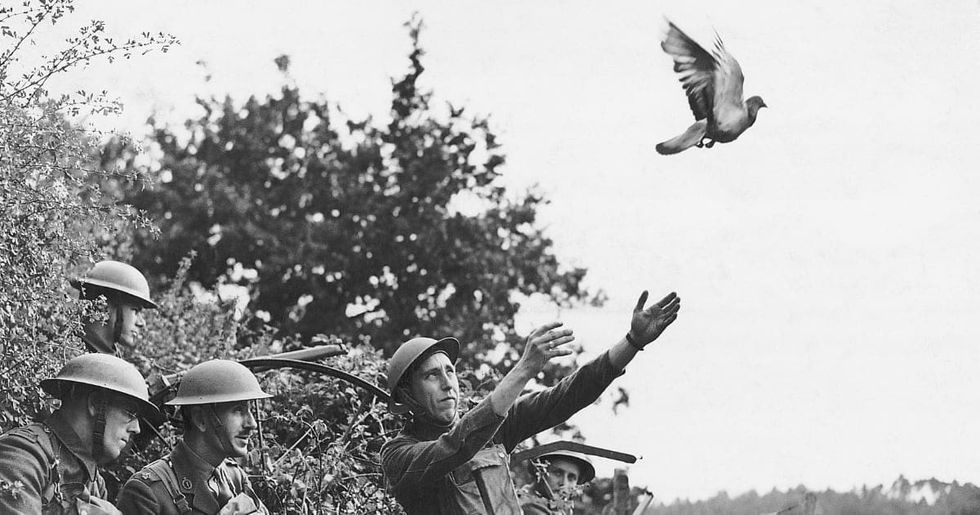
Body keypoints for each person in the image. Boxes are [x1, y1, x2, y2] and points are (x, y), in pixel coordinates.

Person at [381, 289, 681, 514]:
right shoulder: (397, 454)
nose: (448, 383)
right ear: (407, 395)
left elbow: (567, 395)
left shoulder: (495, 427)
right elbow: (455, 445)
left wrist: (632, 342)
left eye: (450, 371)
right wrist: (524, 369)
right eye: (432, 376)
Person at [0, 353, 162, 514]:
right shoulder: (23, 455)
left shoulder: (94, 482)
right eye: (129, 413)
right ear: (95, 403)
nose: (136, 428)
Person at [116, 360, 270, 514]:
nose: (252, 423)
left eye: (250, 410)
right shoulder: (148, 492)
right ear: (200, 419)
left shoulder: (235, 477)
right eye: (238, 410)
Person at [72, 260, 157, 355]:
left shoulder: (110, 358)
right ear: (102, 305)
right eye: (135, 311)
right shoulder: (69, 352)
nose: (141, 323)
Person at [518, 450, 594, 515]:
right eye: (557, 473)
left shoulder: (557, 508)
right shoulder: (528, 506)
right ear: (539, 472)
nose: (564, 483)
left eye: (571, 478)